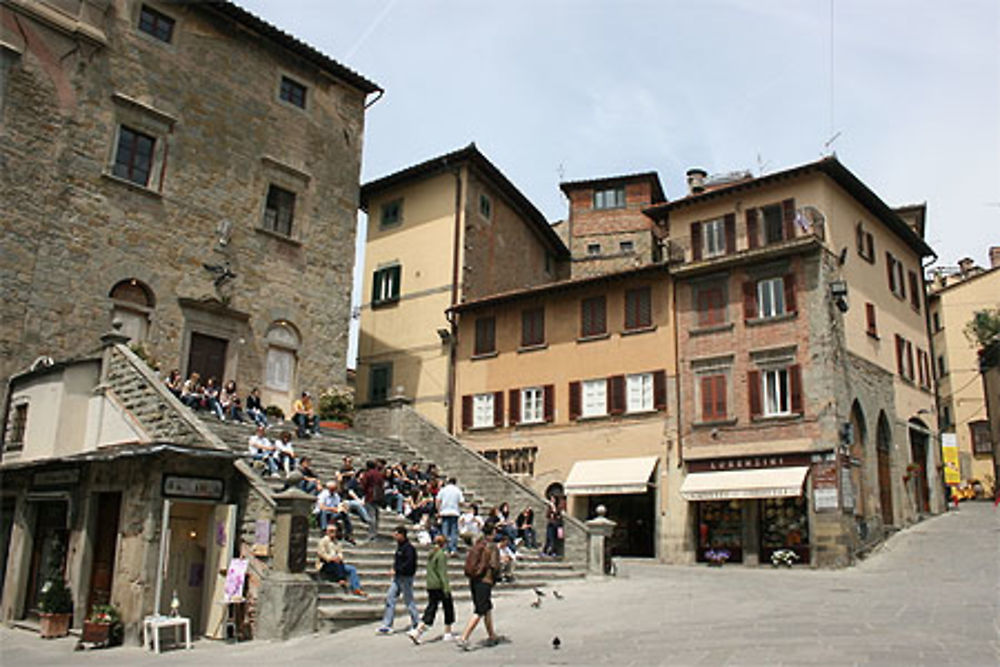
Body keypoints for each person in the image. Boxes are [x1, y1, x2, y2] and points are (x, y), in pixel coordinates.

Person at [457, 523, 501, 650]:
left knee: (487, 607)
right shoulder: (492, 547)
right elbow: (494, 566)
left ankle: (491, 635)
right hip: (485, 580)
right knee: (480, 610)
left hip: (474, 579)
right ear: (492, 533)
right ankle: (464, 637)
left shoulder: (477, 544)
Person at [408, 534, 455, 644]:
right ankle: (448, 632)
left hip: (431, 584)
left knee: (431, 608)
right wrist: (447, 587)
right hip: (439, 585)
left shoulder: (431, 554)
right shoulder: (441, 555)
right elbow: (442, 572)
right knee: (448, 608)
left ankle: (418, 631)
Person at [376, 525, 419, 635]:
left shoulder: (409, 548)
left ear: (402, 535)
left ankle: (416, 624)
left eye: (396, 534)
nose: (394, 536)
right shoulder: (399, 547)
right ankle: (387, 624)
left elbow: (410, 564)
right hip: (397, 578)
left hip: (406, 578)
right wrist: (394, 568)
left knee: (408, 600)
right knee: (390, 597)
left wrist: (398, 570)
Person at [316, 524, 365, 596]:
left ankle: (356, 588)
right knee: (336, 564)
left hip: (338, 563)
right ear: (327, 532)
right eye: (331, 531)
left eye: (334, 531)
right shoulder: (323, 541)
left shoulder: (337, 542)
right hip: (325, 564)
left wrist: (339, 557)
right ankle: (341, 579)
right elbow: (321, 554)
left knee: (352, 569)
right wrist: (331, 558)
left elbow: (340, 553)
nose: (333, 533)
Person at [436, 477, 464, 555]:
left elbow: (438, 500)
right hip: (454, 512)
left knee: (445, 531)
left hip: (444, 512)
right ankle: (453, 549)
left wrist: (438, 511)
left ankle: (445, 548)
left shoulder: (443, 490)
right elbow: (461, 502)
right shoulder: (457, 490)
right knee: (453, 532)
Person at [360, 460, 385, 542]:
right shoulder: (379, 474)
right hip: (378, 496)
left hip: (370, 496)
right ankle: (375, 533)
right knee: (376, 515)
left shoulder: (367, 474)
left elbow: (364, 484)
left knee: (371, 516)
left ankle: (371, 535)